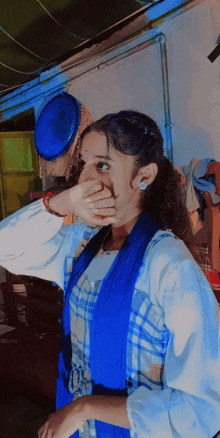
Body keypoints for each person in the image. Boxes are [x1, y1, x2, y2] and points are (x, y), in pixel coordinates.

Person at [0, 110, 220, 438]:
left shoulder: (167, 265)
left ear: (142, 176)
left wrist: (84, 407)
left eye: (102, 165)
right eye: (83, 165)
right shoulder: (82, 247)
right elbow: (6, 247)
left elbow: (202, 410)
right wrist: (63, 202)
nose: (86, 180)